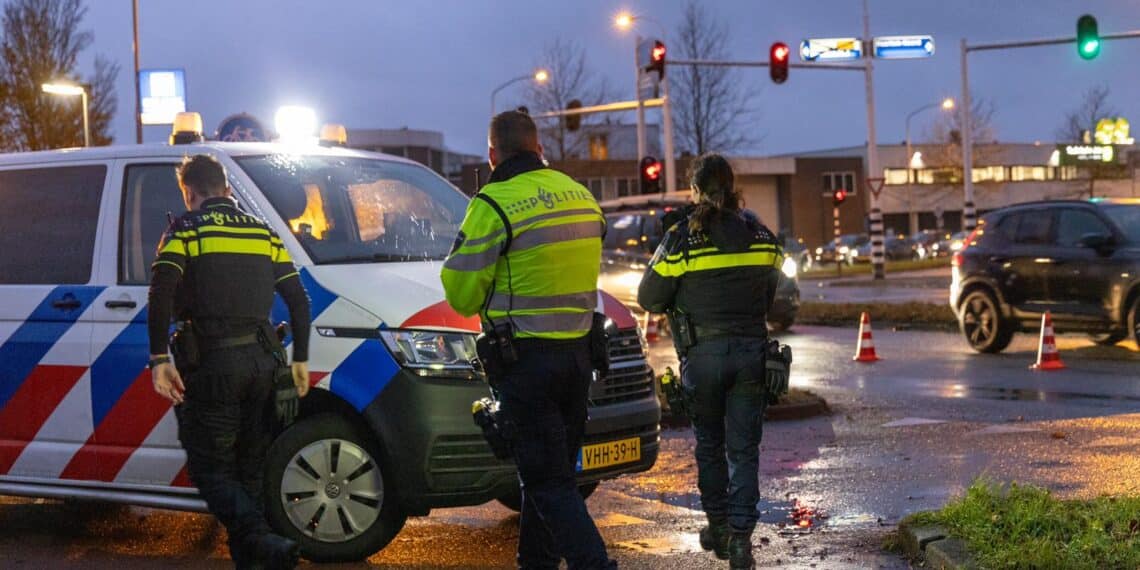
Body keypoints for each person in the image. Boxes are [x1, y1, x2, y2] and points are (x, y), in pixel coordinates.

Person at [441, 110, 615, 570]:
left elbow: (461, 294)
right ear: (540, 149)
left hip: (526, 362)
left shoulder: (493, 203)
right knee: (549, 477)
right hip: (579, 357)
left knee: (547, 482)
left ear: (492, 155)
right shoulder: (580, 196)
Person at [148, 154, 312, 569]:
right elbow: (298, 299)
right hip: (266, 365)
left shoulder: (185, 229)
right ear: (226, 190)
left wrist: (159, 357)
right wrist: (301, 360)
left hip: (214, 367)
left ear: (189, 193)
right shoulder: (263, 232)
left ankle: (264, 541)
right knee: (249, 471)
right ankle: (255, 558)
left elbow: (161, 292)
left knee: (210, 470)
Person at [637, 153, 782, 570]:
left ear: (695, 191)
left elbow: (649, 298)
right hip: (751, 355)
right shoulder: (761, 235)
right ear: (733, 188)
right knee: (744, 451)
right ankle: (740, 541)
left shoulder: (682, 238)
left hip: (701, 358)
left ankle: (718, 527)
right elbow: (769, 294)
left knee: (710, 447)